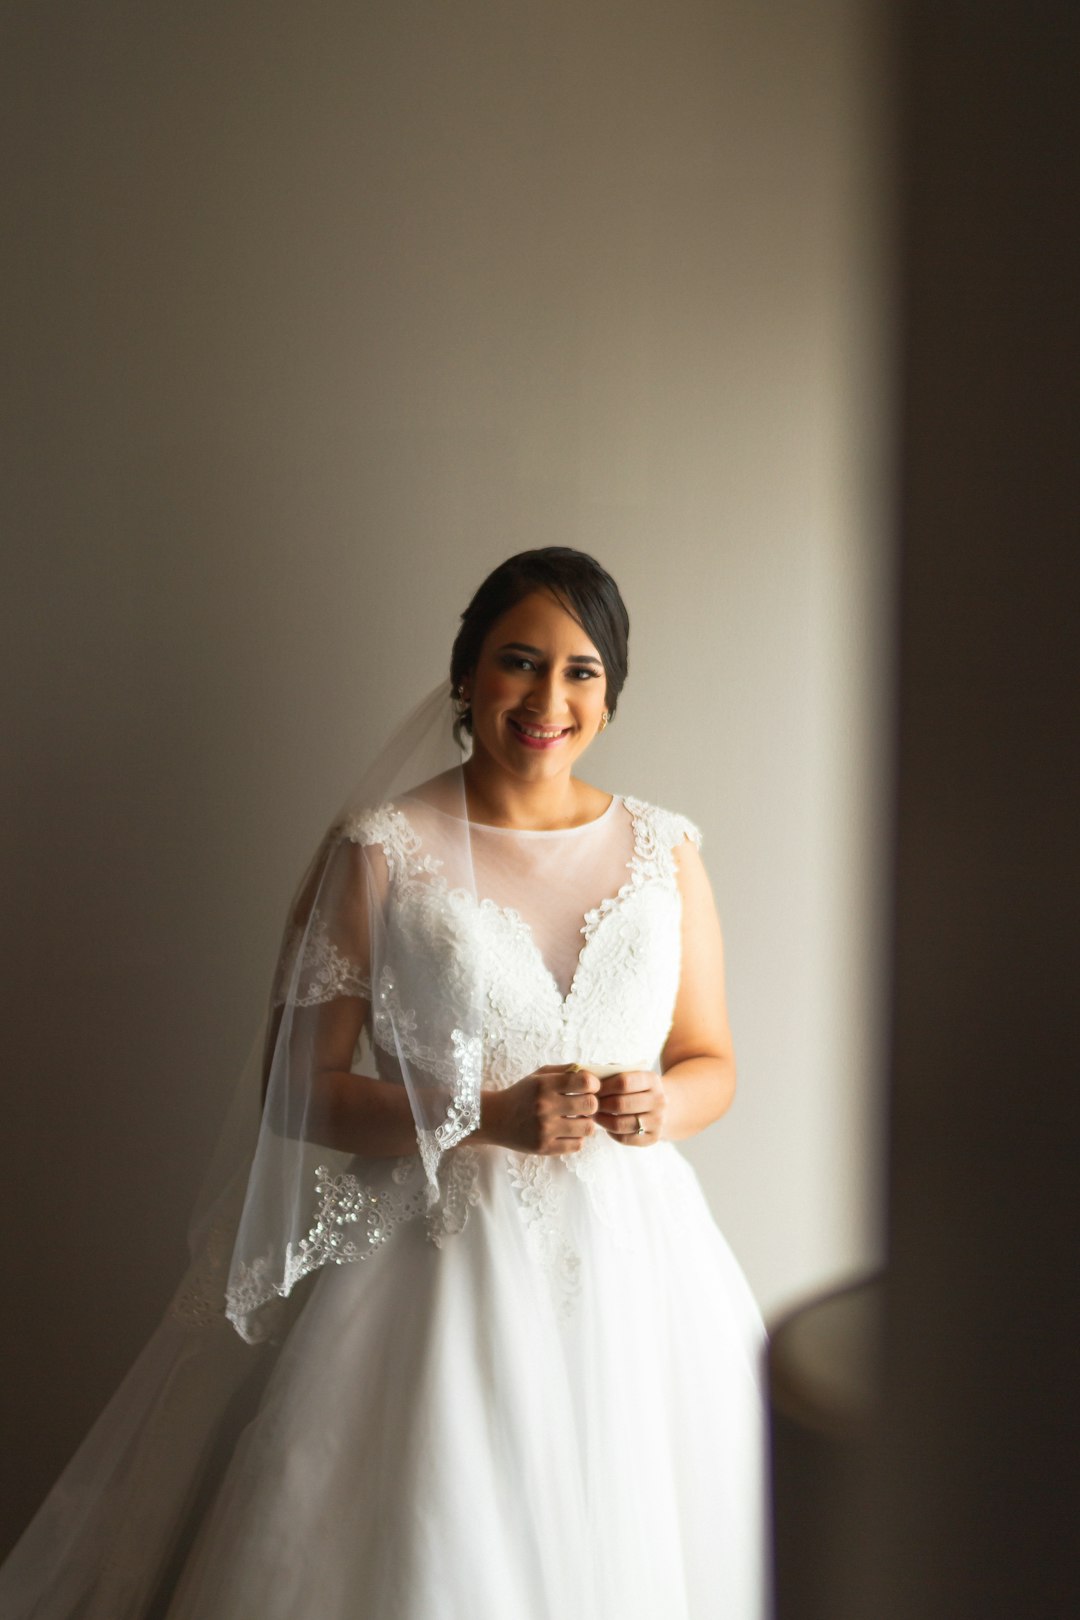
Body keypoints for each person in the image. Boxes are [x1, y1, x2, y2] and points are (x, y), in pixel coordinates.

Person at [0, 547, 767, 1619]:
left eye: (581, 670)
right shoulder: (380, 850)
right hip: (434, 1261)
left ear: (612, 691)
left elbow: (711, 1061)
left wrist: (661, 1105)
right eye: (518, 662)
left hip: (642, 1268)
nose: (549, 698)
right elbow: (295, 1092)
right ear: (464, 676)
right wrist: (487, 1116)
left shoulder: (666, 850)